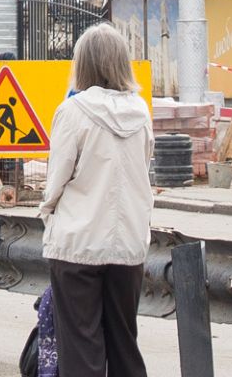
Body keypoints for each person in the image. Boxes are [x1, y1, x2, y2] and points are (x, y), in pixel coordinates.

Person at [39, 23, 153, 377]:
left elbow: (57, 179)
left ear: (82, 64)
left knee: (82, 347)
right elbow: (143, 171)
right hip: (128, 246)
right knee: (124, 344)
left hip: (78, 244)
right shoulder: (141, 112)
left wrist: (48, 214)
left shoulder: (73, 112)